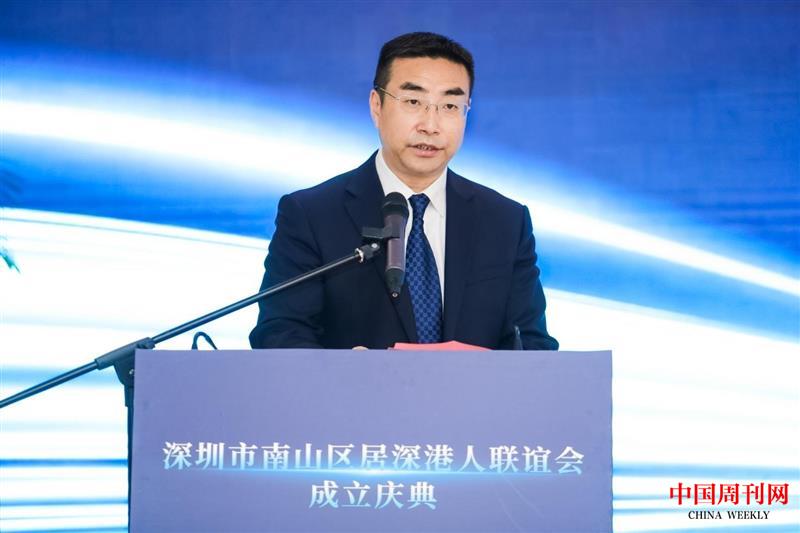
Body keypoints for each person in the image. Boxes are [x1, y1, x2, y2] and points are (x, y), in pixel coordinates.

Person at [249, 32, 558, 351]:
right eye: (413, 102)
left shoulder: (505, 221)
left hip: (475, 388)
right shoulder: (312, 215)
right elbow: (280, 334)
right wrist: (344, 371)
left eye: (450, 105)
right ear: (377, 106)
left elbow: (532, 346)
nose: (431, 125)